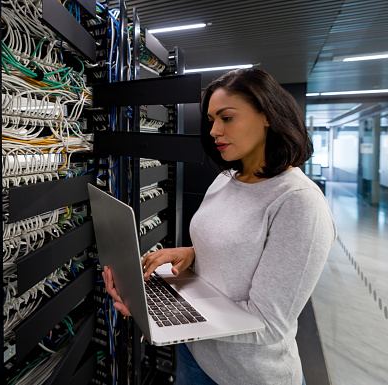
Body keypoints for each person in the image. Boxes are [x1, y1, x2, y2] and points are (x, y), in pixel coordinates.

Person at [102, 68, 336, 385]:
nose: (213, 130)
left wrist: (168, 316)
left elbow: (268, 324)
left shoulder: (299, 202)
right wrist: (194, 253)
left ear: (267, 115)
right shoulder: (227, 178)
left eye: (226, 118)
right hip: (196, 354)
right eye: (212, 119)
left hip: (246, 375)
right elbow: (241, 246)